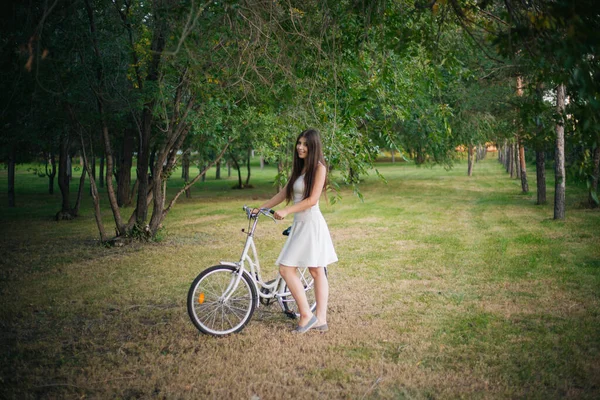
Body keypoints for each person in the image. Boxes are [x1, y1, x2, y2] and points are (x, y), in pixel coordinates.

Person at [255, 128, 337, 333]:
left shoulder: (319, 168)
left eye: (305, 144)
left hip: (311, 223)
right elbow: (284, 193)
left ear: (313, 146)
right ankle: (317, 319)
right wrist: (261, 208)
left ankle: (313, 317)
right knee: (312, 270)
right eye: (299, 143)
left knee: (306, 269)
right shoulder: (300, 168)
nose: (300, 147)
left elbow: (312, 200)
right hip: (301, 224)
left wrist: (286, 211)